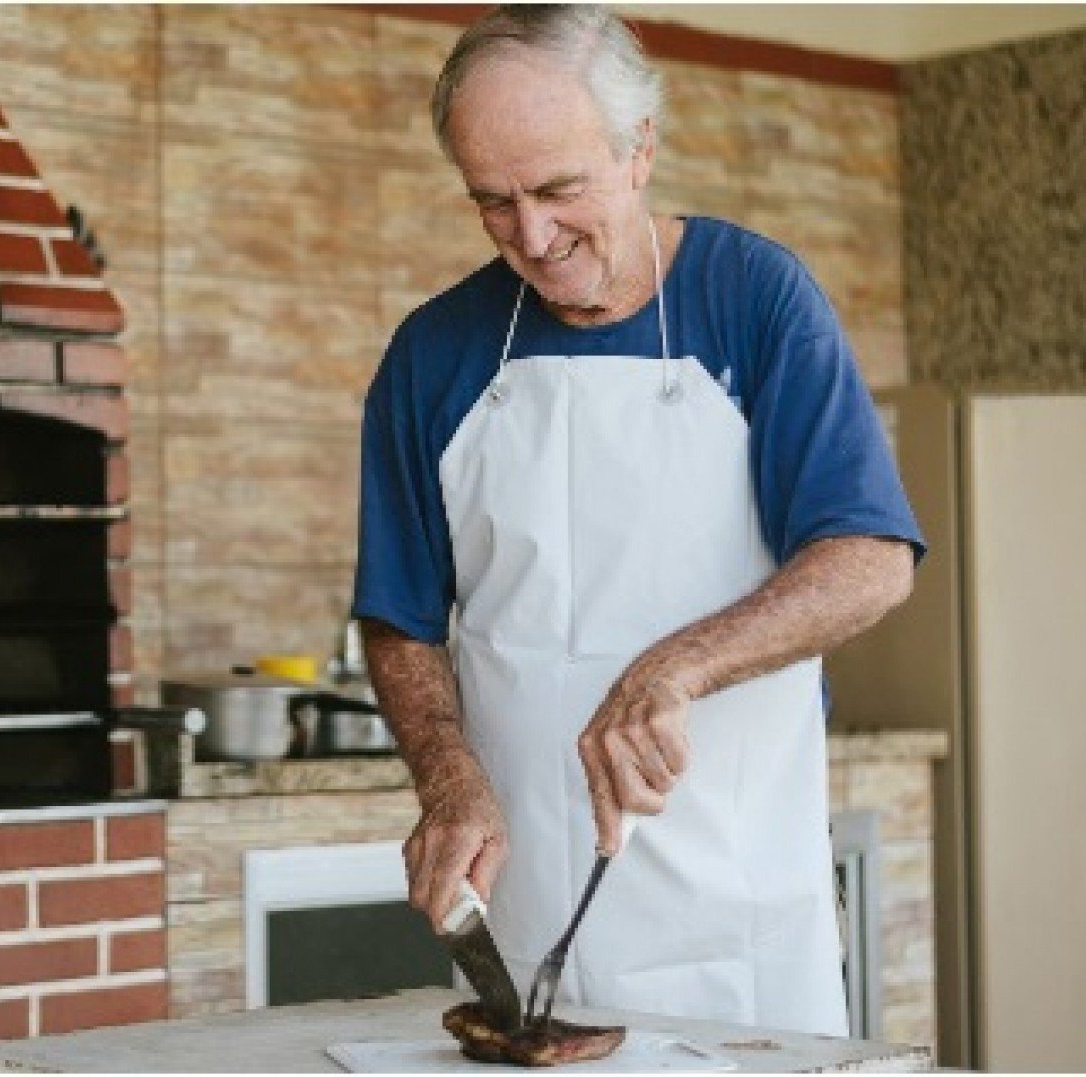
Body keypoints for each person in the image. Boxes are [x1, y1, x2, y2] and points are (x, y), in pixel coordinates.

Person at [352, 5, 924, 1037]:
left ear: (640, 149)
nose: (533, 236)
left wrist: (677, 667)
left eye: (559, 189)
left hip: (742, 931)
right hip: (532, 935)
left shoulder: (757, 300)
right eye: (494, 202)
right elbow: (399, 616)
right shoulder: (432, 355)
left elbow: (872, 558)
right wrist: (447, 778)